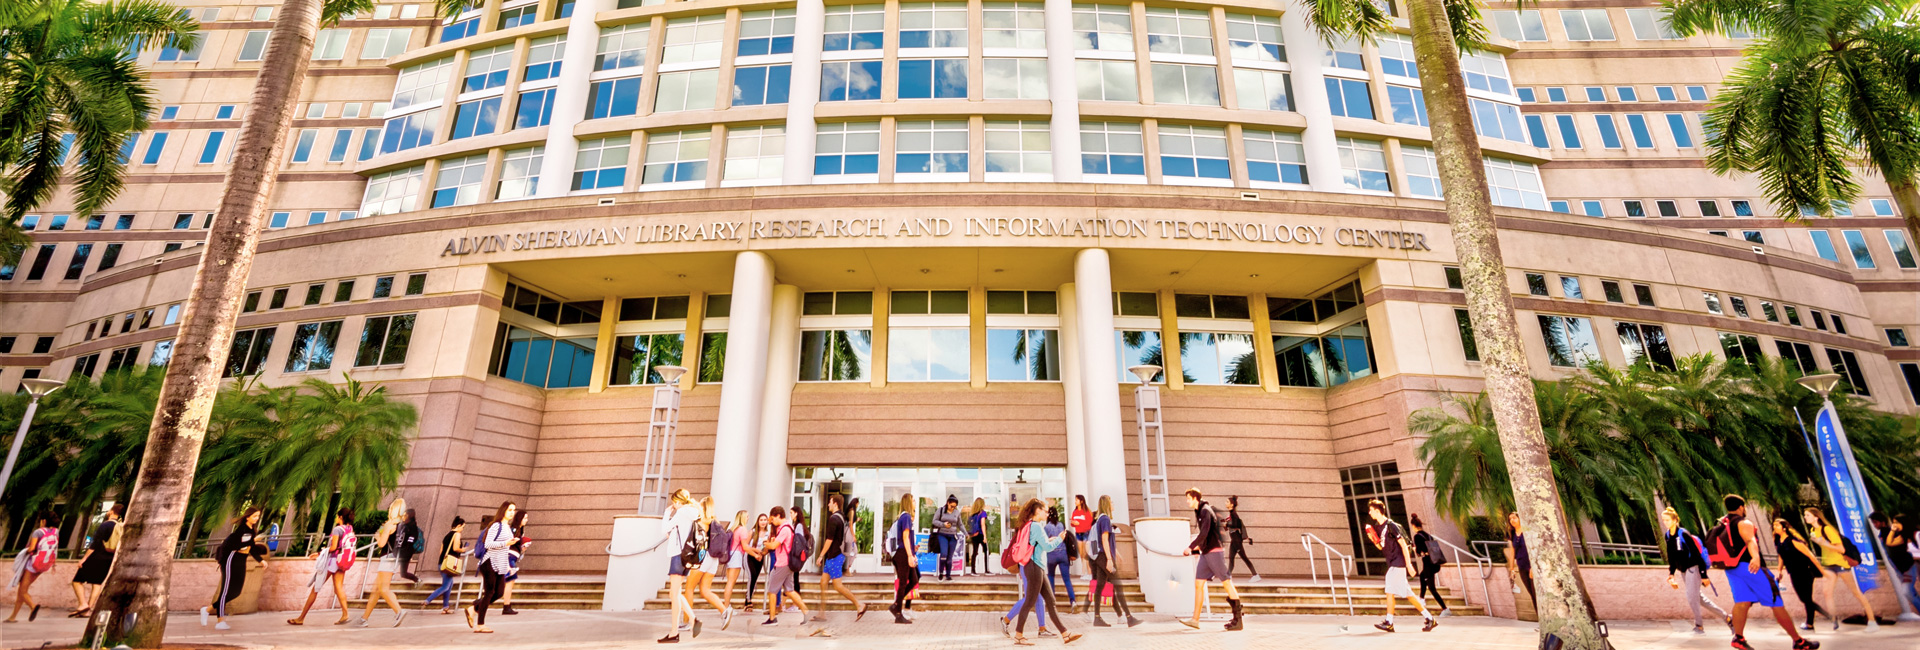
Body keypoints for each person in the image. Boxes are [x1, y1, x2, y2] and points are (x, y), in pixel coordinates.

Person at [1721, 495, 1819, 650]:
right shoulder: (1743, 522)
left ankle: (1738, 638)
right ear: (1741, 507)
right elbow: (1750, 540)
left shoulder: (1723, 522)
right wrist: (1755, 557)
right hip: (1750, 567)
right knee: (1776, 601)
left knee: (1742, 601)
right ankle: (1798, 641)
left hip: (1732, 568)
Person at [1010, 498, 1080, 646]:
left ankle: (1065, 633)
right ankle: (1018, 634)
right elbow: (1048, 548)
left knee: (1051, 601)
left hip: (1037, 567)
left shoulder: (1030, 525)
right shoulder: (1036, 526)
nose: (1047, 514)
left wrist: (1051, 539)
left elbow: (1041, 544)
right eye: (1045, 511)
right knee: (1029, 601)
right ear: (1037, 511)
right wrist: (1060, 539)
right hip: (1034, 567)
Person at [1363, 499, 1437, 633]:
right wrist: (1373, 539)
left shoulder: (1391, 525)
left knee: (1389, 591)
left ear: (1378, 511)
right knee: (1409, 594)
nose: (1369, 512)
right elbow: (1381, 547)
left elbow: (1403, 545)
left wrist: (1409, 564)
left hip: (1398, 562)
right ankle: (1430, 618)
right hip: (1392, 562)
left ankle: (1389, 622)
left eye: (1371, 510)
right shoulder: (1378, 527)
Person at [1180, 488, 1245, 632]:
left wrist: (1191, 547)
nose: (1187, 501)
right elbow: (1206, 535)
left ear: (1195, 498)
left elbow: (1204, 533)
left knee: (1226, 582)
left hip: (1214, 552)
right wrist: (1198, 549)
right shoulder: (1199, 511)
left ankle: (1238, 620)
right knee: (1198, 584)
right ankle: (1195, 620)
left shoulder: (1205, 511)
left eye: (1189, 498)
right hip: (1206, 553)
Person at [1801, 507, 1875, 630]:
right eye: (1805, 515)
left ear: (1816, 517)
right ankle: (1834, 619)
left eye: (1807, 515)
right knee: (1827, 592)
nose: (1805, 517)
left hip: (1840, 564)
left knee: (1856, 592)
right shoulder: (1813, 530)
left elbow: (1841, 549)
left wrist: (1823, 543)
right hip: (1828, 564)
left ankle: (1871, 620)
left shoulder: (1827, 529)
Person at [1661, 507, 1728, 634]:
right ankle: (1728, 618)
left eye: (1668, 520)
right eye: (1664, 520)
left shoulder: (1683, 534)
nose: (1665, 522)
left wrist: (1704, 575)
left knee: (1691, 598)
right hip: (1683, 570)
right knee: (1699, 599)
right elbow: (1671, 556)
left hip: (1693, 568)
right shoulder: (1668, 535)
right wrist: (1671, 573)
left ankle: (1699, 626)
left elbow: (1697, 555)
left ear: (1675, 520)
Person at [288, 508, 356, 626]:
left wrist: (320, 553)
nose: (336, 518)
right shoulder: (349, 529)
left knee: (315, 589)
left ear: (340, 517)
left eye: (337, 516)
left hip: (332, 561)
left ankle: (301, 618)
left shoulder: (337, 529)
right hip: (342, 561)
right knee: (338, 588)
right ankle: (345, 614)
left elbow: (333, 547)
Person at [202, 507, 266, 630]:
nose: (256, 518)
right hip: (231, 559)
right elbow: (236, 545)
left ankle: (207, 610)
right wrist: (253, 541)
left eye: (258, 516)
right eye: (254, 516)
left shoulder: (252, 530)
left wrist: (260, 560)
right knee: (225, 590)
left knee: (236, 591)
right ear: (247, 517)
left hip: (241, 560)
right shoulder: (242, 529)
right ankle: (220, 621)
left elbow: (251, 548)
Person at [464, 501, 519, 634]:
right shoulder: (496, 525)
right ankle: (480, 625)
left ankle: (473, 609)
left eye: (513, 510)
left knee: (499, 592)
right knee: (489, 592)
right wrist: (506, 542)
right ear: (503, 510)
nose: (512, 513)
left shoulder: (507, 527)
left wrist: (507, 565)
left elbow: (505, 549)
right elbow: (488, 544)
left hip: (500, 564)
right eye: (509, 510)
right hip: (489, 562)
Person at [760, 506, 817, 633]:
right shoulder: (788, 527)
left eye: (773, 518)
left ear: (778, 516)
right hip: (788, 564)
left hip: (782, 564)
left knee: (772, 591)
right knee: (790, 590)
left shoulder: (785, 529)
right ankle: (806, 612)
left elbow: (774, 546)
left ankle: (772, 618)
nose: (772, 521)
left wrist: (765, 543)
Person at [1086, 495, 1140, 628]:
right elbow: (1104, 540)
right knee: (1118, 586)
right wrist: (1110, 559)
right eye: (1111, 502)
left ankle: (1097, 618)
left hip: (1100, 556)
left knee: (1100, 586)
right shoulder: (1105, 519)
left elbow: (1104, 541)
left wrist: (1116, 554)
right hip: (1104, 557)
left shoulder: (1100, 519)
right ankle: (1129, 618)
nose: (1113, 504)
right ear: (1107, 504)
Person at [357, 498, 411, 627]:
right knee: (376, 590)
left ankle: (399, 611)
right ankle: (364, 618)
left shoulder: (390, 525)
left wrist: (378, 537)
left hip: (387, 558)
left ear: (393, 510)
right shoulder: (403, 526)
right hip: (395, 558)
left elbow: (381, 544)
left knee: (383, 589)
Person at [815, 494, 868, 624]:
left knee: (838, 586)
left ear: (835, 504)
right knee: (823, 582)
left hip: (835, 556)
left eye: (830, 502)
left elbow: (829, 540)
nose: (828, 504)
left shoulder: (834, 519)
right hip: (833, 556)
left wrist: (821, 555)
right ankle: (822, 613)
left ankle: (859, 604)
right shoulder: (841, 517)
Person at [659, 489, 702, 643]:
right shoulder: (693, 512)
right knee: (674, 593)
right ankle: (691, 621)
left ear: (677, 501)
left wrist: (667, 513)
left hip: (678, 555)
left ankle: (676, 631)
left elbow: (664, 529)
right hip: (687, 556)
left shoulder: (682, 512)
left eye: (674, 502)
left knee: (674, 594)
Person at [1773, 517, 1830, 631]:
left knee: (1807, 599)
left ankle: (1810, 623)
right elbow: (1781, 556)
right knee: (1804, 599)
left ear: (1784, 528)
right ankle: (1829, 616)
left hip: (1805, 571)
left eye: (1777, 525)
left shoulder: (1793, 540)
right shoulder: (1778, 541)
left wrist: (1823, 571)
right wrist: (1779, 571)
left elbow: (1811, 556)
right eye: (1774, 525)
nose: (1775, 527)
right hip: (1793, 572)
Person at [70, 504, 124, 618]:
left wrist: (84, 559)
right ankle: (87, 610)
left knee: (77, 581)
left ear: (111, 512)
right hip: (109, 558)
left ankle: (83, 605)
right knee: (97, 583)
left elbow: (94, 544)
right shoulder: (120, 526)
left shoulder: (105, 525)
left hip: (96, 556)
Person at [6, 512, 57, 623]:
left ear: (44, 521)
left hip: (32, 565)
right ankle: (13, 617)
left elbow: (32, 548)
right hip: (44, 565)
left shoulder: (38, 532)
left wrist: (25, 551)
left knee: (22, 591)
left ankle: (33, 606)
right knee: (22, 590)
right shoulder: (55, 532)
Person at [1869, 512, 1920, 614]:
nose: (1894, 525)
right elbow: (1889, 543)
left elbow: (1891, 545)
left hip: (1908, 567)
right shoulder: (1900, 535)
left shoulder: (1915, 534)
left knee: (1907, 591)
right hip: (1904, 567)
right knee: (1909, 592)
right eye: (1893, 523)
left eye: (1896, 523)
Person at [424, 516, 471, 614]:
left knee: (449, 585)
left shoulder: (446, 535)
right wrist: (463, 549)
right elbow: (455, 548)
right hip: (450, 564)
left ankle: (446, 607)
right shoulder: (457, 534)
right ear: (458, 526)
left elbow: (441, 551)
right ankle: (427, 600)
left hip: (442, 563)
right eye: (463, 527)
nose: (462, 529)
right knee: (445, 586)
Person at [886, 493, 920, 624]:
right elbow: (905, 537)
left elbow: (907, 538)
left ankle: (896, 605)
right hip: (902, 553)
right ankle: (898, 613)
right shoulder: (906, 517)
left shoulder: (905, 517)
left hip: (904, 552)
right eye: (913, 500)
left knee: (914, 579)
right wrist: (910, 555)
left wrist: (913, 550)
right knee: (903, 582)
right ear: (908, 503)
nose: (915, 502)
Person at [1409, 514, 1451, 617]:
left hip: (1428, 564)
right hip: (1435, 563)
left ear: (1413, 526)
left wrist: (1415, 549)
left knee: (1432, 588)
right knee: (1422, 576)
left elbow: (1419, 551)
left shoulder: (1417, 536)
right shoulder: (1428, 535)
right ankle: (1421, 598)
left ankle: (1445, 608)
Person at [1044, 507, 1076, 614]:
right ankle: (1073, 601)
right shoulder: (1061, 525)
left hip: (1052, 555)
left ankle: (1052, 603)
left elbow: (1045, 541)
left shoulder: (1047, 527)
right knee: (1067, 579)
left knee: (1051, 577)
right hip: (1063, 554)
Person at [499, 509, 531, 615]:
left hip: (512, 557)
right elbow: (507, 544)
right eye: (525, 518)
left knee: (507, 583)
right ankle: (506, 606)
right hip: (509, 558)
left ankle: (506, 606)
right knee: (509, 582)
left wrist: (523, 548)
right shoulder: (513, 530)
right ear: (520, 518)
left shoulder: (519, 530)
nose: (526, 520)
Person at [1225, 496, 1260, 582]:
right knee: (1231, 558)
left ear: (1231, 505)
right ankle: (1228, 576)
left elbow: (1236, 524)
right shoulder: (1231, 513)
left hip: (1237, 540)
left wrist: (1227, 524)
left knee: (1244, 557)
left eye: (1227, 502)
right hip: (1234, 540)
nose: (1225, 503)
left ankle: (1255, 575)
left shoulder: (1234, 514)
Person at [740, 513, 769, 612]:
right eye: (761, 520)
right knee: (751, 576)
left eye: (765, 520)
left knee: (755, 578)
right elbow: (746, 546)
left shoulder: (768, 534)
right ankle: (748, 601)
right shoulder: (752, 532)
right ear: (758, 521)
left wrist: (762, 554)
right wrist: (755, 552)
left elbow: (767, 548)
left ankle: (748, 597)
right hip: (750, 557)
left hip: (760, 558)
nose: (763, 522)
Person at [1507, 512, 1534, 609]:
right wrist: (1512, 569)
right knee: (1531, 594)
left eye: (1514, 518)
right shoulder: (1512, 534)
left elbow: (1533, 548)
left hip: (1531, 566)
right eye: (1510, 519)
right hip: (1521, 566)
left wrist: (1533, 567)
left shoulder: (1527, 531)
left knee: (1536, 593)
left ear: (1520, 518)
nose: (1512, 520)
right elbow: (1512, 552)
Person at [933, 496, 963, 581]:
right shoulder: (941, 510)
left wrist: (965, 533)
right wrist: (943, 524)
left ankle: (948, 575)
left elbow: (960, 524)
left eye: (954, 507)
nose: (952, 508)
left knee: (950, 557)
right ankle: (941, 573)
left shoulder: (957, 512)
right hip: (942, 534)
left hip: (953, 536)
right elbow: (934, 521)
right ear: (948, 503)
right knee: (944, 554)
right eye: (951, 506)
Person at [966, 498, 989, 576]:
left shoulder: (972, 514)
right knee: (985, 551)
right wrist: (985, 536)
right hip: (980, 534)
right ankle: (986, 570)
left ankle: (973, 570)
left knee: (974, 552)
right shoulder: (983, 513)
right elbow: (983, 524)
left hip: (974, 535)